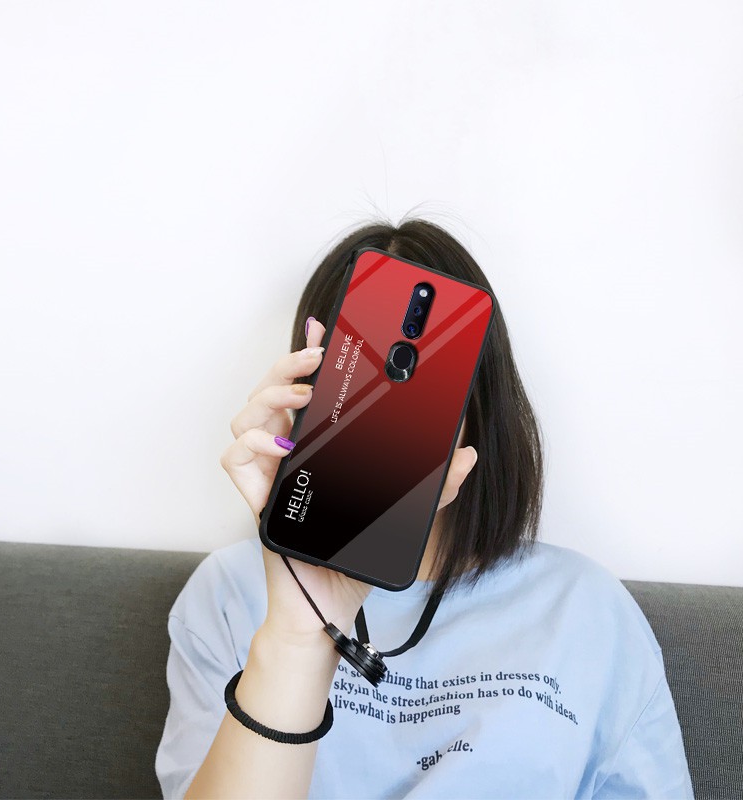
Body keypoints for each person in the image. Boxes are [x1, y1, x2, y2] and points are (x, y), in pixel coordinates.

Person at [155, 218, 694, 799]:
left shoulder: (586, 611)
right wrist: (296, 635)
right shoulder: (229, 597)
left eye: (413, 378)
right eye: (358, 378)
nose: (381, 418)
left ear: (479, 406)